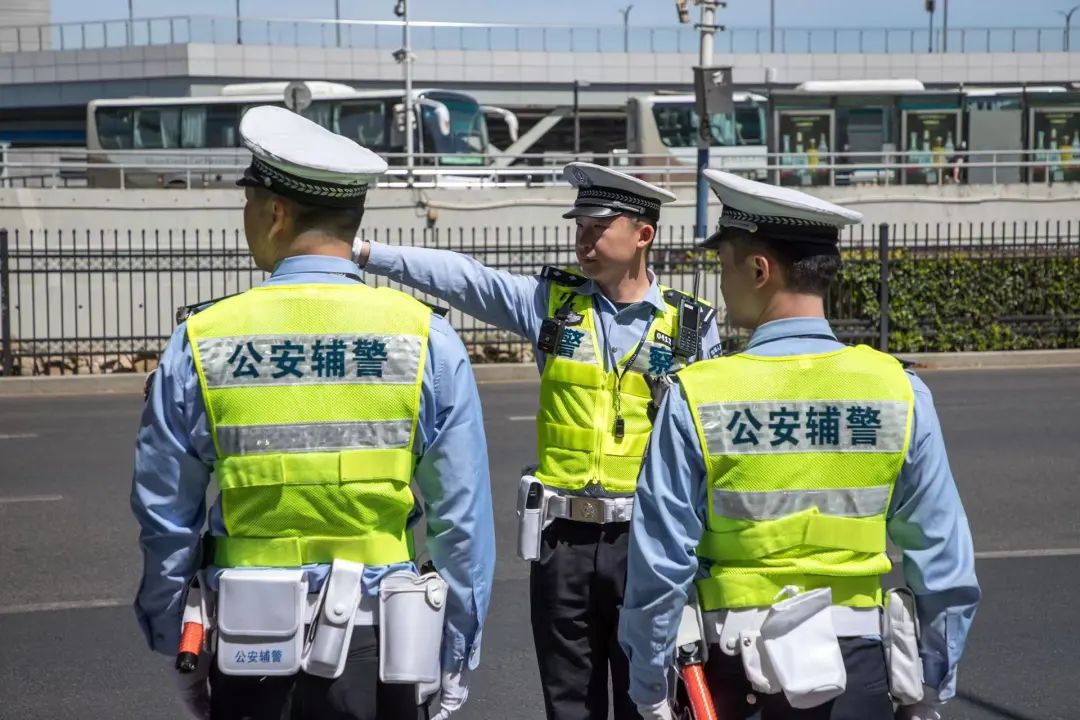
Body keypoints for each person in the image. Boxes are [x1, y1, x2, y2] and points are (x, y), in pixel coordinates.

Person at [131, 105, 495, 720]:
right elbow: (461, 519)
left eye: (248, 201)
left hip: (245, 642)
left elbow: (166, 513)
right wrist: (457, 647)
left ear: (276, 212)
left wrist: (176, 638)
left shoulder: (203, 339)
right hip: (382, 642)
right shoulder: (424, 338)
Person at [355, 162, 722, 720]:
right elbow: (465, 278)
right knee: (567, 701)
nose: (584, 241)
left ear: (643, 234)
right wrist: (365, 253)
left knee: (647, 699)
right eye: (580, 227)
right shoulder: (553, 303)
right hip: (562, 542)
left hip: (649, 541)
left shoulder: (690, 326)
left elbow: (710, 448)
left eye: (598, 227)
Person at [619, 169, 980, 720]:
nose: (721, 283)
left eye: (724, 265)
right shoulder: (899, 390)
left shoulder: (697, 394)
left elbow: (660, 565)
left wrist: (649, 686)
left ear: (759, 270)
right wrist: (931, 686)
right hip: (860, 670)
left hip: (734, 676)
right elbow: (945, 562)